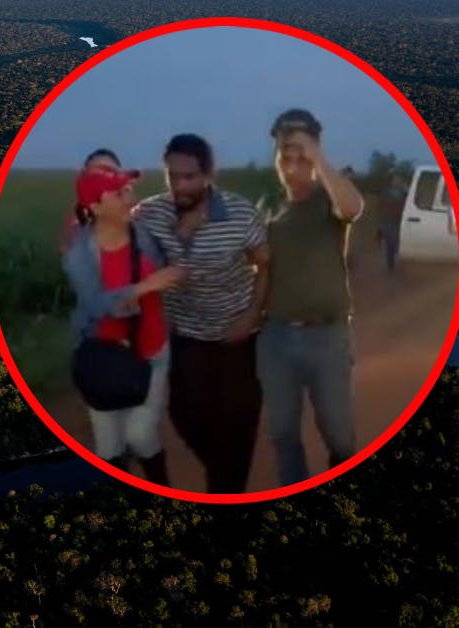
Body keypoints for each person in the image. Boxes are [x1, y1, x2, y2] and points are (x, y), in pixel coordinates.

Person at [135, 134, 270, 494]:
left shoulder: (240, 213)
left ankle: (226, 494)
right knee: (185, 416)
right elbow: (120, 251)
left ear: (209, 174)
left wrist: (252, 314)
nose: (180, 185)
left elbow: (264, 265)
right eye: (172, 176)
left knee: (238, 424)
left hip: (238, 336)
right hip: (186, 335)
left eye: (189, 177)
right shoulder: (151, 214)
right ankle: (226, 477)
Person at [255, 109, 364, 487]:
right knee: (283, 433)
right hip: (276, 338)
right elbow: (259, 268)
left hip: (327, 338)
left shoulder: (329, 196)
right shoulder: (269, 205)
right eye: (285, 156)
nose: (292, 167)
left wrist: (317, 157)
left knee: (340, 437)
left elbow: (352, 209)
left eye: (302, 157)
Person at [61, 167, 185, 486]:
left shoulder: (143, 234)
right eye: (118, 193)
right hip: (103, 359)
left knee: (140, 435)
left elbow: (168, 265)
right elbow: (94, 305)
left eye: (128, 190)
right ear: (95, 207)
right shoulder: (80, 254)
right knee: (109, 448)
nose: (130, 198)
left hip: (151, 351)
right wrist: (144, 287)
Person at [58, 149, 123, 254]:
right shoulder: (75, 221)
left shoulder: (132, 217)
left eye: (108, 170)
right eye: (97, 170)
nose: (102, 175)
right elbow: (64, 252)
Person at [378, 172, 408, 273]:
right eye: (395, 179)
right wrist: (380, 224)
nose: (397, 181)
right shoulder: (386, 193)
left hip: (398, 221)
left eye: (398, 179)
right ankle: (390, 267)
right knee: (389, 245)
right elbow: (381, 207)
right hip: (388, 220)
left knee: (397, 244)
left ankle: (397, 265)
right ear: (391, 181)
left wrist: (406, 189)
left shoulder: (403, 193)